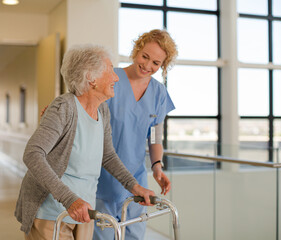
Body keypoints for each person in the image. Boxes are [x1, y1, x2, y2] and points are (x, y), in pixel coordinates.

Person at [14, 44, 155, 240]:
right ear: (91, 79)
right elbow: (32, 154)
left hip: (85, 212)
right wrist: (70, 200)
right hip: (53, 213)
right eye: (110, 71)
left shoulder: (102, 110)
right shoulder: (64, 107)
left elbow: (108, 155)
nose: (116, 78)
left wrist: (134, 186)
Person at [93, 29, 178, 240]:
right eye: (145, 57)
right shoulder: (110, 78)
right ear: (136, 50)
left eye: (156, 63)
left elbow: (155, 136)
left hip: (136, 178)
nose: (148, 66)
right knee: (102, 234)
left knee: (134, 233)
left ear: (162, 66)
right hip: (102, 175)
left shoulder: (158, 93)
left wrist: (157, 166)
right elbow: (84, 108)